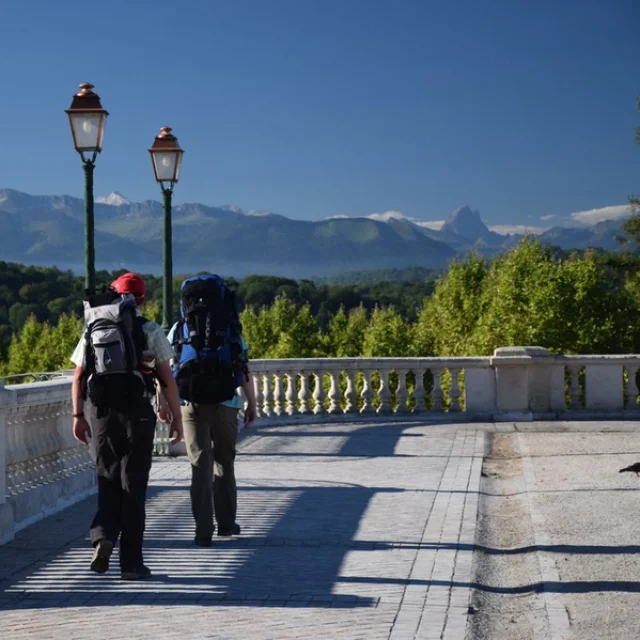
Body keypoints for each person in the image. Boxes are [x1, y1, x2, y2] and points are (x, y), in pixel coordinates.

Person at [71, 272, 183, 580]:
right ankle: (132, 564)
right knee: (133, 486)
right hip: (136, 413)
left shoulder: (92, 327)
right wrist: (176, 418)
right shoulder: (149, 329)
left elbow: (79, 377)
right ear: (142, 299)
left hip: (101, 411)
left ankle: (103, 535)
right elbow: (166, 379)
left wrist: (78, 416)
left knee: (106, 478)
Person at [167, 274, 257, 546]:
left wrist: (165, 405)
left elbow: (169, 368)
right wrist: (252, 403)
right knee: (224, 462)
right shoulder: (230, 327)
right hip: (226, 404)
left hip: (191, 404)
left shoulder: (179, 328)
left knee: (199, 466)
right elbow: (242, 369)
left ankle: (202, 531)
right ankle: (227, 524)